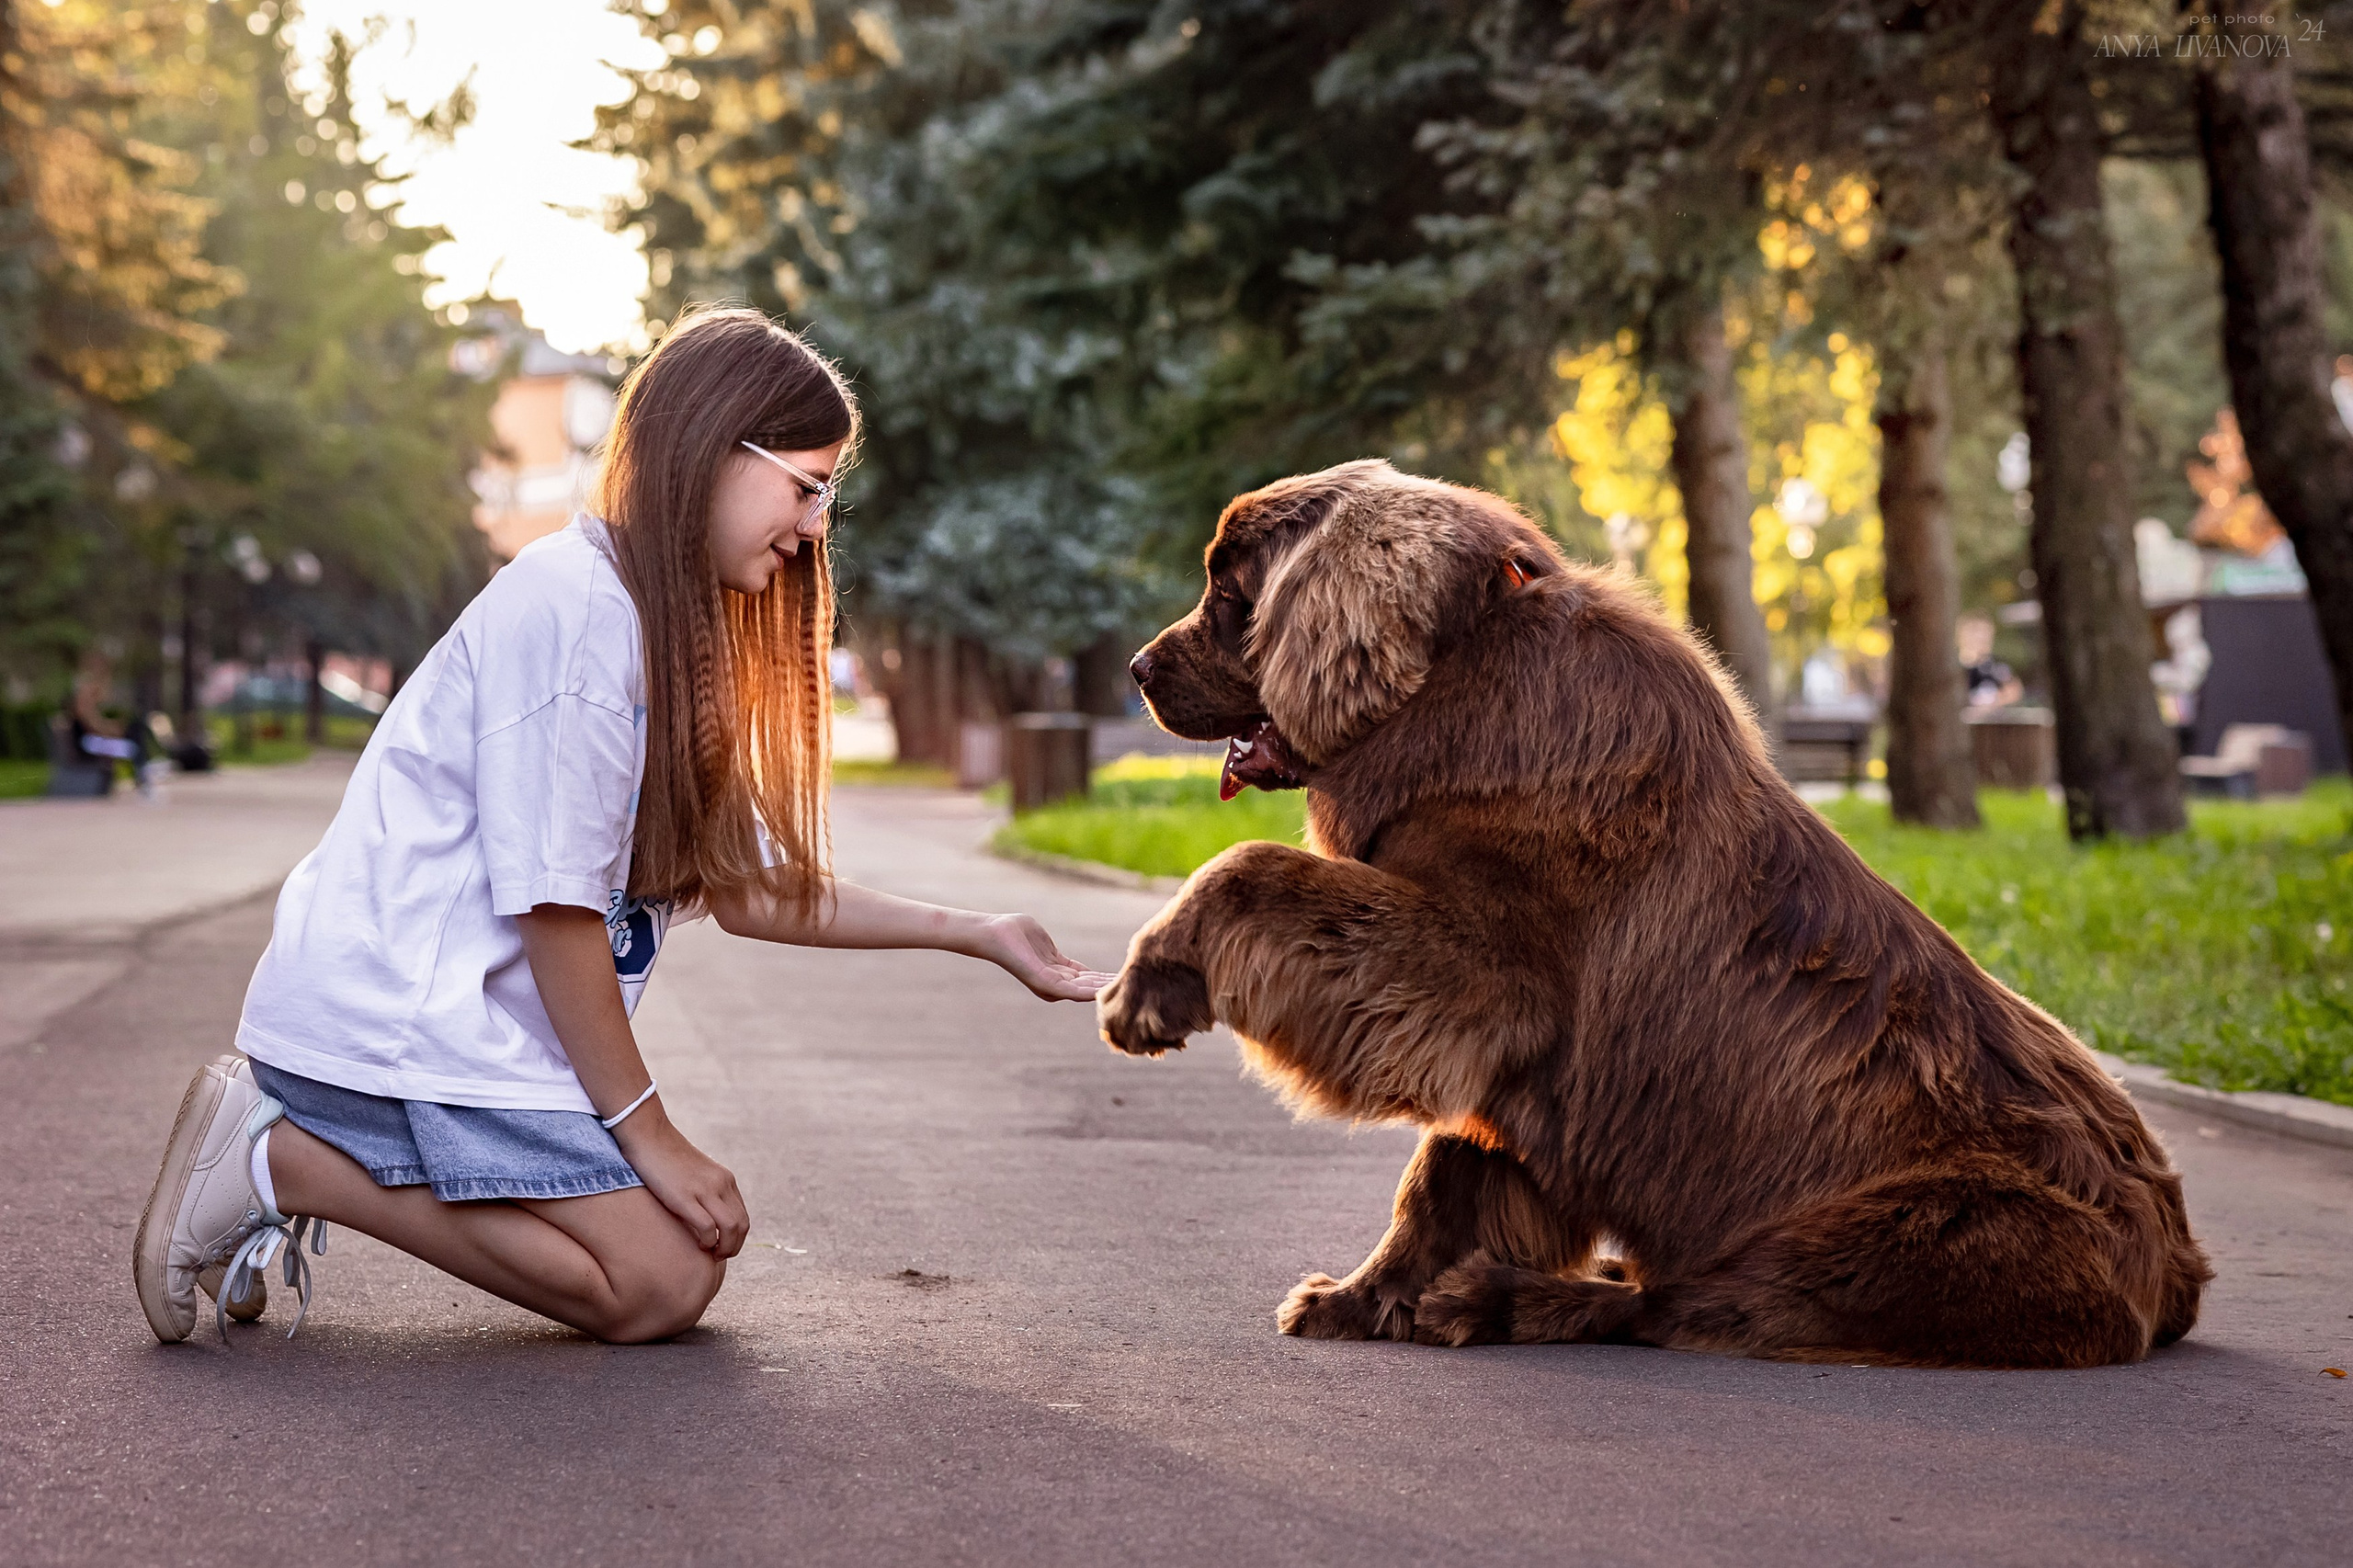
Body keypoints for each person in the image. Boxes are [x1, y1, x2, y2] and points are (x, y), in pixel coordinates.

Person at [132, 308, 1112, 1346]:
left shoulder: (658, 626)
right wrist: (649, 1132)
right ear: (711, 450)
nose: (818, 523)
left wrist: (977, 930)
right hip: (396, 1022)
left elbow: (752, 889)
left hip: (456, 1029)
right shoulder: (581, 610)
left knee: (675, 1265)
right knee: (656, 1277)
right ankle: (275, 1157)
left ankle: (288, 1154)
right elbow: (557, 911)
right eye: (806, 483)